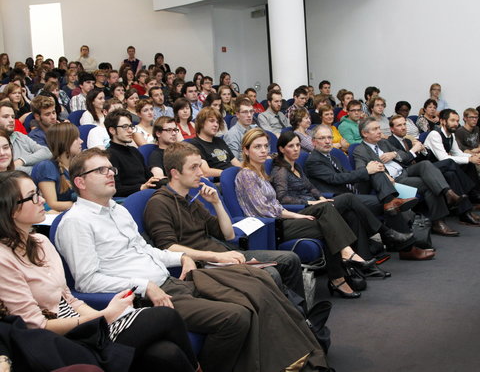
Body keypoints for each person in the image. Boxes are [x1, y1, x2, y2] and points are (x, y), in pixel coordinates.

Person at [56, 148, 331, 372]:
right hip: (145, 296)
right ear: (80, 181)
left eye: (110, 168)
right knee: (237, 316)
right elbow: (87, 281)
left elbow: (149, 250)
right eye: (100, 170)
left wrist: (182, 255)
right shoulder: (76, 222)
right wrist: (143, 286)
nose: (111, 174)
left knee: (255, 286)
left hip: (172, 280)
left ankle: (292, 349)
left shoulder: (118, 210)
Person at [0, 170, 199, 372]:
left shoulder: (40, 241)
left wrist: (101, 320)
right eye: (33, 196)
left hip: (86, 325)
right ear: (11, 209)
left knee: (167, 354)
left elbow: (70, 300)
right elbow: (36, 326)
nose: (42, 200)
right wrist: (103, 317)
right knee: (166, 316)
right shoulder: (3, 259)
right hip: (62, 340)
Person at [145, 140, 309, 302]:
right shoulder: (159, 203)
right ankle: (291, 316)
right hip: (206, 264)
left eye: (199, 166)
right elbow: (167, 248)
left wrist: (216, 203)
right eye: (193, 167)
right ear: (175, 173)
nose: (201, 173)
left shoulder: (191, 199)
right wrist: (216, 256)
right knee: (269, 274)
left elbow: (228, 234)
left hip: (224, 255)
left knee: (290, 259)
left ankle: (302, 317)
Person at [236, 128, 368, 298]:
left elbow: (275, 204)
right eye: (257, 147)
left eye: (265, 146)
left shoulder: (261, 173)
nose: (263, 151)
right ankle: (341, 270)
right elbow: (265, 210)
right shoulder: (247, 175)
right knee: (330, 225)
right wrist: (296, 215)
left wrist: (298, 214)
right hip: (270, 228)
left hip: (280, 219)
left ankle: (342, 267)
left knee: (326, 208)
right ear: (246, 151)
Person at [272, 131, 412, 266]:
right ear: (282, 149)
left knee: (352, 214)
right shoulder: (280, 171)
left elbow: (311, 188)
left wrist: (320, 197)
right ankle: (385, 232)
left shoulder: (296, 166)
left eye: (298, 145)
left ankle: (365, 261)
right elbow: (283, 198)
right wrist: (312, 202)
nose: (296, 149)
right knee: (349, 198)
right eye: (291, 146)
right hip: (304, 209)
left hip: (319, 204)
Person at [354, 117, 471, 233]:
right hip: (394, 180)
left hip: (405, 170)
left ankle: (448, 193)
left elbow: (404, 156)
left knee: (425, 164)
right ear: (365, 133)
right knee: (429, 184)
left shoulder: (384, 143)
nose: (379, 131)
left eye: (379, 128)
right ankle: (438, 222)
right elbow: (362, 170)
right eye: (375, 129)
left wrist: (394, 154)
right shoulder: (360, 150)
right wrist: (380, 172)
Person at [105, 109, 160, 196]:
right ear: (112, 130)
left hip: (148, 193)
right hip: (130, 199)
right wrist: (141, 187)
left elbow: (150, 177)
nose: (130, 130)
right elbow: (116, 188)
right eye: (125, 127)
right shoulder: (109, 155)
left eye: (131, 126)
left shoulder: (134, 151)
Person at [31, 123, 81, 211]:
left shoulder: (76, 165)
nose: (81, 141)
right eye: (76, 138)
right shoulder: (47, 167)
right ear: (65, 142)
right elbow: (52, 204)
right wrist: (83, 205)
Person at [0, 100, 51, 174]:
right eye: (6, 117)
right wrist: (36, 168)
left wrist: (22, 160)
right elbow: (10, 170)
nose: (11, 120)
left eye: (13, 117)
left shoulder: (19, 135)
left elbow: (47, 152)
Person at [189, 107, 241, 178]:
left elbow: (235, 162)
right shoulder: (194, 144)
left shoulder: (220, 141)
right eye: (211, 121)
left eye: (217, 122)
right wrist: (231, 173)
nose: (216, 125)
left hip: (234, 177)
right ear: (201, 123)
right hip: (219, 182)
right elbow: (206, 172)